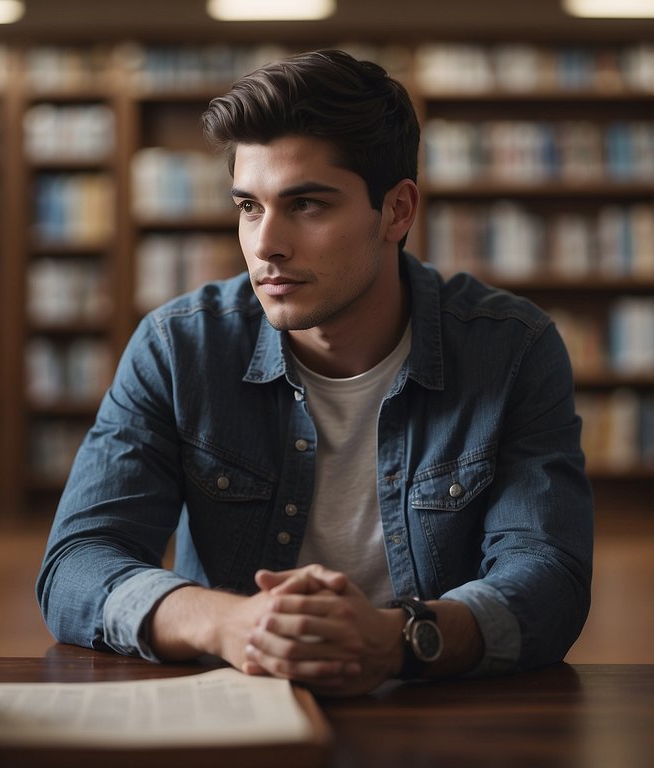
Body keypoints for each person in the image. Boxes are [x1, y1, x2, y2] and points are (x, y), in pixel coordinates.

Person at [37, 49, 593, 696]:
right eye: (249, 206)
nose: (266, 243)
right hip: (232, 707)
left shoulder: (514, 348)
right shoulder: (179, 347)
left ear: (397, 212)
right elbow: (75, 566)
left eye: (305, 205)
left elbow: (549, 578)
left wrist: (395, 640)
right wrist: (234, 624)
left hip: (433, 712)